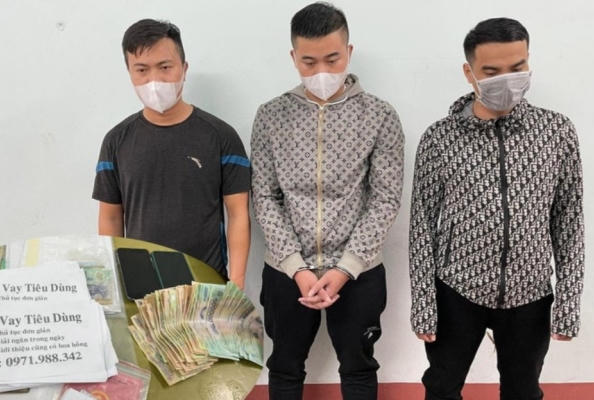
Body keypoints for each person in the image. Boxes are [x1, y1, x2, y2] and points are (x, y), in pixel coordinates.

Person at [409, 17, 585, 400]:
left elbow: (569, 222)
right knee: (441, 388)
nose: (506, 80)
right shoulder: (440, 138)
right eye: (491, 72)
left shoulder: (556, 133)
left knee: (523, 391)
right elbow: (422, 226)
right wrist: (423, 303)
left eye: (517, 68)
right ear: (469, 72)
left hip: (530, 293)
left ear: (528, 61)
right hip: (457, 290)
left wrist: (569, 300)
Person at [251, 3, 404, 399]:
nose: (321, 71)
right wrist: (297, 268)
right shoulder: (270, 116)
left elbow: (385, 199)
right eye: (309, 61)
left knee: (358, 367)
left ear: (349, 52)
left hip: (359, 270)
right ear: (293, 57)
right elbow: (265, 197)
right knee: (284, 367)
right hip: (286, 271)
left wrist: (345, 268)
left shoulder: (380, 116)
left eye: (332, 59)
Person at [92, 19, 250, 288]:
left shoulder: (221, 136)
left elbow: (238, 214)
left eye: (165, 67)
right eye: (142, 70)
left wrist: (236, 283)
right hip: (141, 287)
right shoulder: (116, 141)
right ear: (130, 73)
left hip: (206, 286)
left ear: (184, 68)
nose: (154, 80)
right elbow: (110, 217)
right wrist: (112, 283)